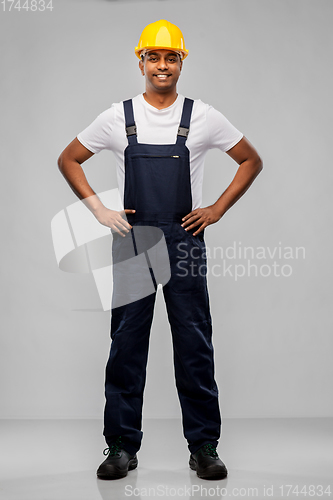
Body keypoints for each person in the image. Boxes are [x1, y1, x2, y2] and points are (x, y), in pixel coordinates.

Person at [58, 19, 263, 481]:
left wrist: (216, 209)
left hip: (184, 242)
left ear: (182, 61)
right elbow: (68, 158)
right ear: (141, 61)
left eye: (171, 57)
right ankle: (121, 447)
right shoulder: (117, 116)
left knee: (194, 344)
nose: (162, 65)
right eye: (154, 56)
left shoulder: (203, 115)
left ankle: (204, 445)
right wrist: (99, 210)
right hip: (134, 243)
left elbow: (251, 160)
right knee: (127, 345)